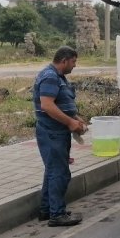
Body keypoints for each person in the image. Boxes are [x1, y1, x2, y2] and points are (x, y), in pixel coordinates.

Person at [33, 46, 87, 227]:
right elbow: (47, 105)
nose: (75, 65)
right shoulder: (49, 77)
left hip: (57, 132)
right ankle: (57, 214)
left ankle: (47, 210)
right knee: (60, 173)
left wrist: (76, 118)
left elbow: (62, 104)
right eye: (73, 61)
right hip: (52, 133)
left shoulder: (58, 77)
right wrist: (70, 123)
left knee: (52, 171)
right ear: (64, 60)